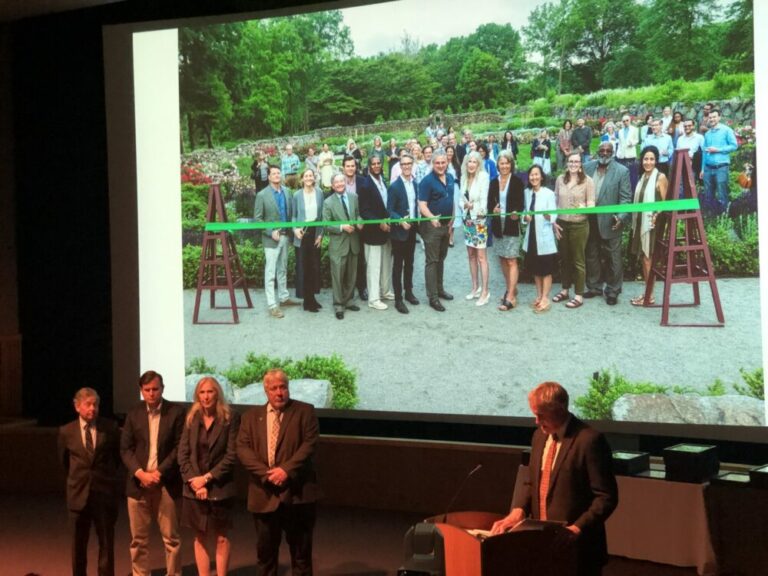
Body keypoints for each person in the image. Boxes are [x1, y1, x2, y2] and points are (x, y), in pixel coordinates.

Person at [490, 381, 619, 576]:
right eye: (534, 414)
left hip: (579, 550)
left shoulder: (589, 440)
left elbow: (606, 496)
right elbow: (531, 482)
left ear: (558, 410)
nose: (536, 421)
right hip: (543, 545)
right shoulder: (539, 437)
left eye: (540, 415)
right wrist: (518, 510)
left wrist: (577, 528)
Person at [237, 369, 321, 576]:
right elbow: (242, 449)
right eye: (274, 388)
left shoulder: (305, 411)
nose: (279, 392)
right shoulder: (250, 417)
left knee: (301, 557)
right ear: (266, 391)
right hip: (264, 495)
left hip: (297, 495)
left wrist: (286, 470)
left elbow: (309, 444)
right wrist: (268, 474)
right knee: (265, 557)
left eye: (283, 387)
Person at [120, 370, 185, 576]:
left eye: (155, 389)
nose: (151, 393)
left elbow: (179, 447)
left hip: (166, 483)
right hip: (138, 484)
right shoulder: (134, 413)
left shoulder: (176, 412)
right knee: (138, 540)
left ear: (162, 389)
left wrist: (159, 472)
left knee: (171, 539)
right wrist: (140, 473)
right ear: (141, 391)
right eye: (147, 390)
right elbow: (125, 449)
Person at [59, 387, 121, 576]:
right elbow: (64, 462)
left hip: (104, 495)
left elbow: (116, 459)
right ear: (77, 406)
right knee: (78, 544)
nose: (92, 408)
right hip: (78, 495)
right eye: (88, 404)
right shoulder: (66, 431)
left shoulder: (110, 428)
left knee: (106, 543)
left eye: (95, 404)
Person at [582, 142, 632, 306]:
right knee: (591, 255)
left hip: (611, 222)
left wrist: (621, 217)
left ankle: (612, 291)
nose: (604, 153)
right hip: (589, 220)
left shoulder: (622, 171)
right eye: (602, 150)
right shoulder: (587, 167)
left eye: (608, 151)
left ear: (613, 152)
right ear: (598, 151)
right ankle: (594, 287)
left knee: (613, 258)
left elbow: (626, 199)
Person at [551, 153, 595, 310]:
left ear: (581, 163)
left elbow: (592, 204)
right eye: (571, 161)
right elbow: (555, 202)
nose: (573, 164)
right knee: (564, 259)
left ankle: (578, 294)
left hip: (579, 225)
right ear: (567, 163)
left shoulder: (588, 181)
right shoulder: (560, 180)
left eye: (576, 161)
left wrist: (584, 207)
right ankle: (564, 290)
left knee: (578, 260)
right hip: (562, 224)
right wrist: (553, 223)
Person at [254, 165, 298, 319]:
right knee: (270, 272)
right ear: (269, 176)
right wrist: (270, 231)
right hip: (271, 240)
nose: (277, 175)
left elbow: (291, 214)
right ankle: (272, 305)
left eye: (279, 173)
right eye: (274, 173)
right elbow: (258, 220)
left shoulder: (287, 192)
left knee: (283, 269)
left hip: (285, 237)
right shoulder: (262, 195)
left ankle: (284, 298)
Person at [630, 146, 669, 306]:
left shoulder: (660, 177)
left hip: (653, 224)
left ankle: (650, 295)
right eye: (646, 159)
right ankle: (647, 292)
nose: (648, 162)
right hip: (641, 222)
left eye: (652, 159)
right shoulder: (643, 177)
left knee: (648, 258)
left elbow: (666, 204)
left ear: (656, 160)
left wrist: (655, 215)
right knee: (644, 258)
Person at [418, 149, 455, 312]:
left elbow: (451, 199)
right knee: (432, 261)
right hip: (432, 227)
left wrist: (452, 219)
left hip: (446, 226)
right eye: (437, 163)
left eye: (443, 162)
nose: (440, 165)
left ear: (447, 162)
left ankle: (440, 290)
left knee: (441, 258)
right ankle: (432, 297)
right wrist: (432, 218)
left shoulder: (451, 178)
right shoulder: (426, 181)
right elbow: (422, 205)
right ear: (433, 164)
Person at [488, 151, 525, 311]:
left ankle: (510, 296)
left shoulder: (517, 181)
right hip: (498, 224)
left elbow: (520, 203)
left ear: (511, 164)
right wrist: (492, 209)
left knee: (511, 259)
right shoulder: (493, 182)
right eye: (501, 163)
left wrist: (517, 213)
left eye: (507, 163)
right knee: (502, 259)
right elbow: (490, 203)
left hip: (511, 223)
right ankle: (511, 287)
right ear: (498, 165)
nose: (504, 166)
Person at [323, 172, 362, 320]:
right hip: (338, 244)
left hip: (353, 242)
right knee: (338, 276)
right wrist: (341, 227)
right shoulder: (328, 202)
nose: (339, 184)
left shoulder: (354, 197)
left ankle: (349, 299)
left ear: (345, 182)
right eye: (336, 183)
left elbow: (359, 214)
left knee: (352, 274)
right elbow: (326, 224)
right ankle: (339, 305)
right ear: (333, 186)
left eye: (341, 182)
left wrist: (359, 221)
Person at [359, 155, 394, 310]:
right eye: (373, 164)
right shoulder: (366, 185)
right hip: (373, 233)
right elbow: (364, 211)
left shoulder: (382, 182)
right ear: (369, 166)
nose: (377, 166)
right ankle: (373, 299)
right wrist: (380, 223)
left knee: (386, 263)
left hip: (386, 231)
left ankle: (385, 291)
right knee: (374, 266)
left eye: (379, 163)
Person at [387, 153, 420, 314]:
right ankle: (398, 299)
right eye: (404, 164)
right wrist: (400, 220)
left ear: (412, 165)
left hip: (412, 230)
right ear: (400, 167)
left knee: (410, 263)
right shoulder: (394, 186)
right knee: (398, 266)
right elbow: (390, 210)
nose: (407, 166)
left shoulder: (415, 184)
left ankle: (409, 292)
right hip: (399, 232)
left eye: (409, 164)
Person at [522, 164, 557, 313]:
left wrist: (548, 216)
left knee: (546, 269)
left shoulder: (548, 193)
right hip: (531, 237)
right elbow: (524, 213)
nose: (534, 177)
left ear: (541, 177)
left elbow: (554, 214)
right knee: (536, 269)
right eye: (531, 175)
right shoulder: (526, 193)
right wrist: (525, 218)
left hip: (544, 236)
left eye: (536, 174)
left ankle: (545, 298)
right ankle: (538, 295)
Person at [460, 150, 491, 306]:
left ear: (479, 164)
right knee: (471, 255)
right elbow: (460, 199)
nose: (471, 164)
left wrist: (479, 212)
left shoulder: (483, 177)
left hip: (479, 221)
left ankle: (485, 291)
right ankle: (475, 287)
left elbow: (484, 200)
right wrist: (464, 205)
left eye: (474, 162)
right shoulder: (464, 178)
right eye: (469, 162)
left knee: (481, 258)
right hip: (467, 221)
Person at [293, 168, 324, 312]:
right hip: (302, 234)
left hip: (314, 233)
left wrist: (320, 234)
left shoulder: (320, 193)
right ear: (302, 179)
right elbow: (293, 216)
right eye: (306, 176)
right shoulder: (297, 195)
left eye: (311, 175)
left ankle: (312, 298)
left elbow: (322, 216)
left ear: (314, 177)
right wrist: (295, 229)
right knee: (304, 268)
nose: (309, 178)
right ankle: (307, 301)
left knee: (314, 267)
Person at [701, 108, 738, 214]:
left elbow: (734, 146)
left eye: (714, 117)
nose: (712, 119)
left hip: (721, 167)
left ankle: (724, 216)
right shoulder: (707, 134)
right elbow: (704, 151)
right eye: (710, 117)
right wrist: (702, 169)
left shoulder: (726, 130)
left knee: (722, 192)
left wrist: (718, 150)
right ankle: (711, 217)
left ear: (719, 117)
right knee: (708, 193)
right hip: (708, 168)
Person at [341, 155, 368, 301]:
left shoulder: (363, 181)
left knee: (361, 259)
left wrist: (361, 220)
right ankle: (346, 289)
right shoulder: (339, 182)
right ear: (343, 167)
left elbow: (366, 203)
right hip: (345, 227)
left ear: (356, 167)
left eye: (353, 166)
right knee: (345, 259)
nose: (351, 168)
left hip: (360, 226)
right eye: (348, 166)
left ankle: (362, 287)